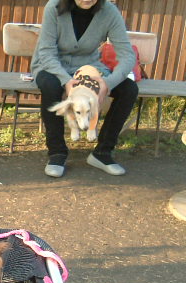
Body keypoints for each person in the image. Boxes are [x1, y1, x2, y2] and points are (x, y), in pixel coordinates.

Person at [31, 0, 138, 177]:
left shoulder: (110, 12)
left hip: (89, 67)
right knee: (50, 85)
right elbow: (46, 52)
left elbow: (127, 56)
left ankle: (102, 153)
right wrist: (66, 80)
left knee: (129, 89)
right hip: (52, 66)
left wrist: (108, 83)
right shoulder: (54, 7)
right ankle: (57, 153)